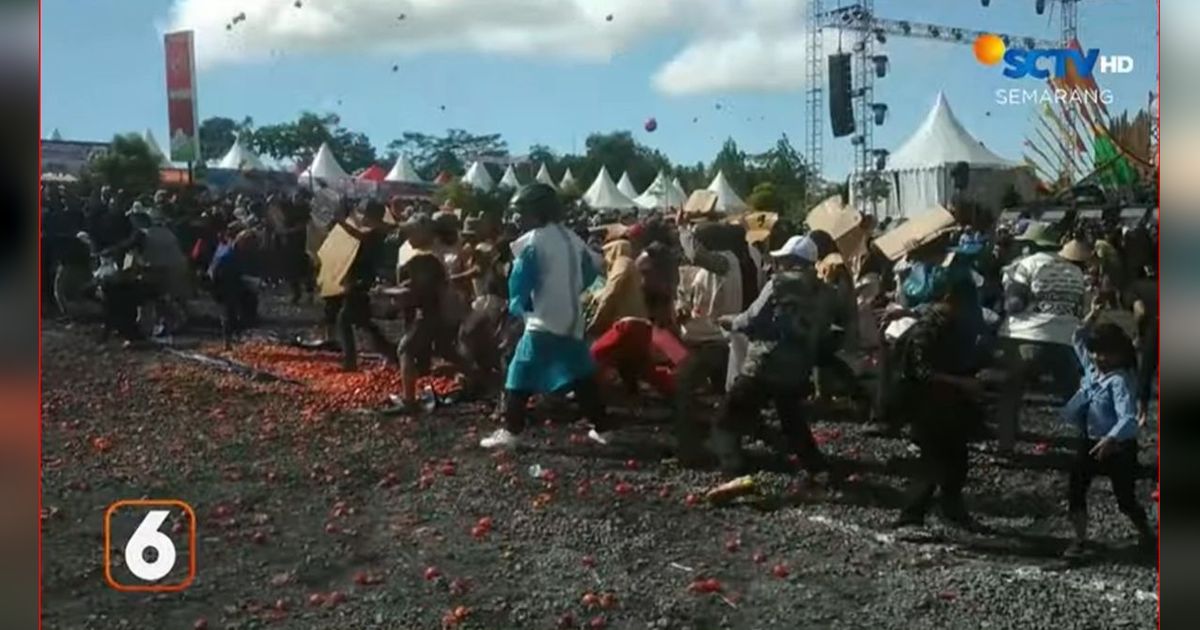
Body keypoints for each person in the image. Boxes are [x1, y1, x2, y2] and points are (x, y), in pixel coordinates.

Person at [479, 184, 613, 449]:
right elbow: (591, 270)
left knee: (519, 371)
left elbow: (520, 281)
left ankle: (511, 431)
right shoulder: (572, 238)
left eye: (523, 213)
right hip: (572, 318)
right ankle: (604, 428)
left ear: (537, 213)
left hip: (544, 320)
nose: (520, 219)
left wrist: (519, 305)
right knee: (582, 375)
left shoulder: (533, 241)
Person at [709, 235, 831, 477]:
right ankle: (817, 468)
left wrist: (730, 321)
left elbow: (751, 319)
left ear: (791, 260)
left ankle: (733, 469)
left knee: (726, 416)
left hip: (765, 362)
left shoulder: (777, 284)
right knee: (792, 419)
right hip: (797, 368)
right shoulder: (824, 291)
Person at [890, 278, 985, 529]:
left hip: (947, 405)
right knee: (931, 464)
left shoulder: (950, 325)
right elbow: (922, 372)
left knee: (957, 461)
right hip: (925, 405)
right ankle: (910, 517)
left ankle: (952, 511)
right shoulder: (927, 329)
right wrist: (961, 383)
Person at [1062, 300, 1154, 556]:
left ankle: (1145, 531)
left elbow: (1128, 419)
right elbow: (1078, 338)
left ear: (1121, 355)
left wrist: (1111, 439)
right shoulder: (1092, 368)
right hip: (1090, 441)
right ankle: (1079, 540)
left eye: (1106, 353)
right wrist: (1093, 314)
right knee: (1076, 490)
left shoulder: (1120, 381)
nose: (1099, 358)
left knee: (1125, 499)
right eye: (1096, 352)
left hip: (1118, 447)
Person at [996, 224, 1090, 453]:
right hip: (1065, 341)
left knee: (1010, 393)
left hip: (1025, 338)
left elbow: (1014, 304)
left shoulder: (1025, 265)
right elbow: (1082, 311)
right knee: (1074, 396)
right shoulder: (1076, 272)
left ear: (1031, 244)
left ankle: (1006, 445)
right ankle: (1091, 444)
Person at [333, 200, 397, 372]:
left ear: (371, 215)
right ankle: (392, 353)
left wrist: (341, 221)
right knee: (363, 321)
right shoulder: (379, 229)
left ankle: (350, 361)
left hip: (362, 281)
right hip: (362, 279)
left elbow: (359, 234)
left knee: (345, 319)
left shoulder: (376, 232)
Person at [209, 230, 260, 348]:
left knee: (247, 307)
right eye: (248, 243)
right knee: (229, 311)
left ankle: (238, 332)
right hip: (224, 283)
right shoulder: (227, 254)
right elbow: (216, 272)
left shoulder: (246, 253)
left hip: (239, 283)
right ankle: (228, 340)